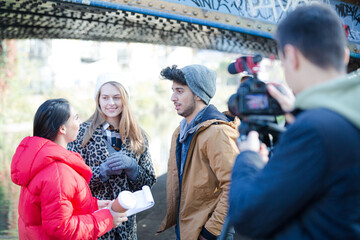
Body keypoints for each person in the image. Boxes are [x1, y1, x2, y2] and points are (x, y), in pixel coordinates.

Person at [228, 4, 360, 239]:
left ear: (292, 56)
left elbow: (249, 216)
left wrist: (248, 157)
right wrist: (300, 112)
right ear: (344, 55)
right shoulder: (346, 117)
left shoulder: (313, 131)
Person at [11, 98, 128, 240]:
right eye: (76, 118)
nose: (80, 123)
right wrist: (107, 219)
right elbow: (61, 228)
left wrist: (94, 204)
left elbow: (58, 206)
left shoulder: (40, 161)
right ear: (62, 128)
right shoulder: (58, 173)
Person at [68, 73, 156, 240]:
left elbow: (148, 182)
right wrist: (101, 171)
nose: (111, 103)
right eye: (105, 97)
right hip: (93, 223)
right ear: (98, 99)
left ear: (125, 99)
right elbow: (71, 182)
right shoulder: (81, 133)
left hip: (126, 225)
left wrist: (133, 168)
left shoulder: (137, 136)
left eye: (117, 97)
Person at [156, 64, 240, 240]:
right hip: (188, 227)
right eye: (173, 91)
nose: (172, 97)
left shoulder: (218, 132)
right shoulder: (181, 131)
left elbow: (235, 186)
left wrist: (210, 232)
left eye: (180, 91)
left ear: (197, 94)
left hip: (211, 232)